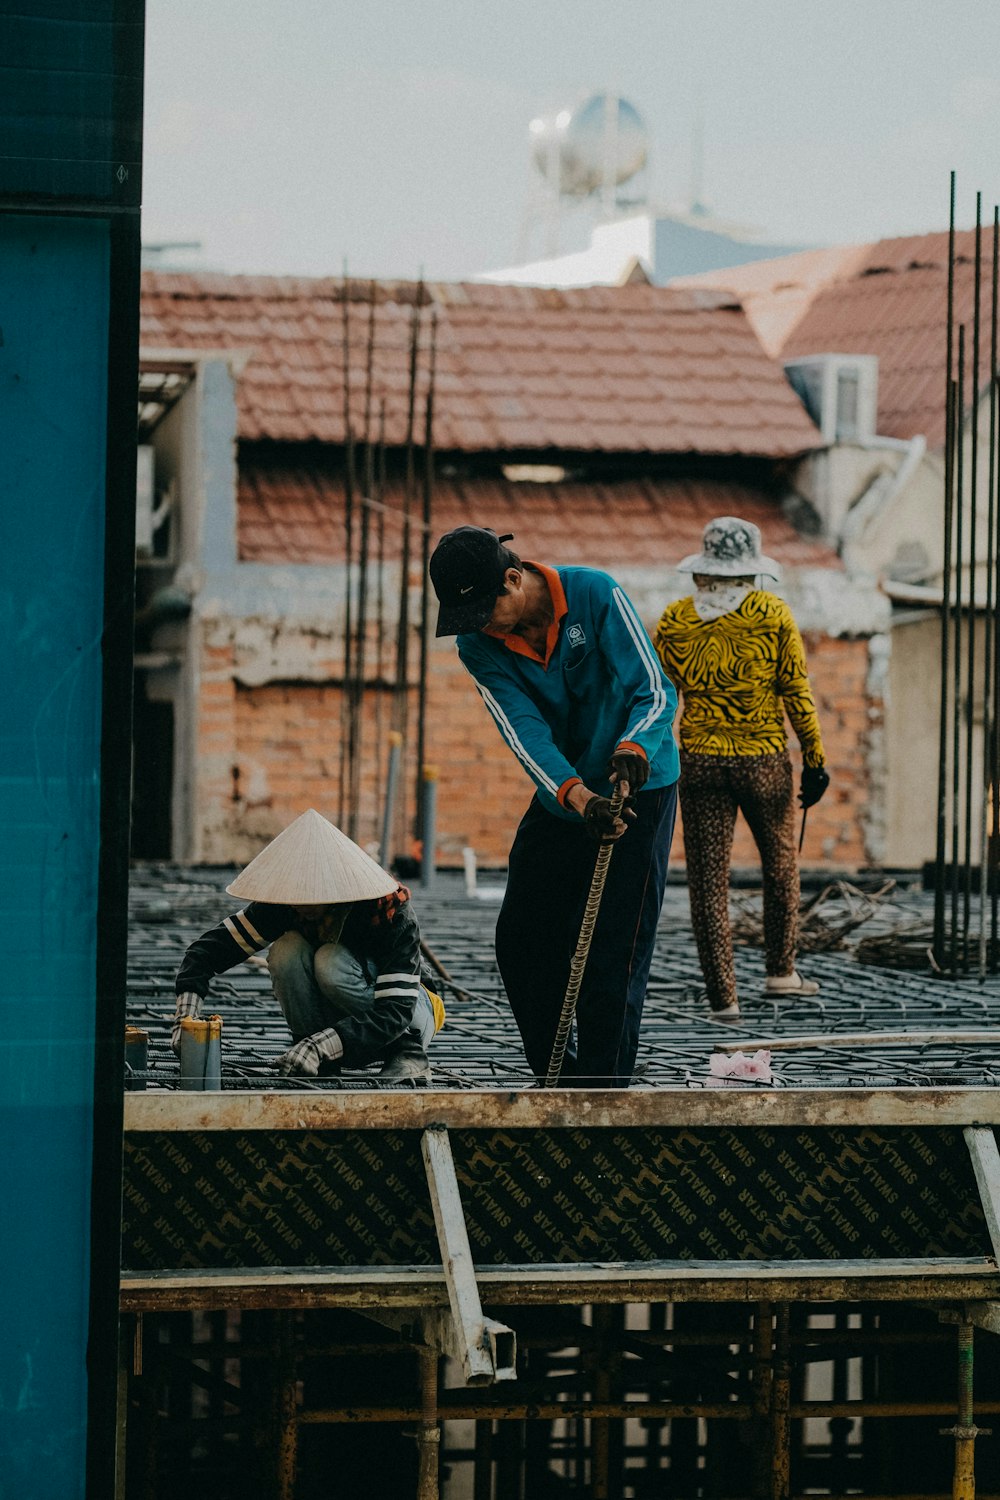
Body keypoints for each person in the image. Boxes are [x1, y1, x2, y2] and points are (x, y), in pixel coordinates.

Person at [429, 525, 679, 1088]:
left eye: (483, 612)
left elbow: (655, 690)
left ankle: (601, 1089)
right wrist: (578, 798)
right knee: (522, 937)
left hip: (640, 780)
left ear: (513, 580)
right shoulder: (479, 646)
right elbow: (524, 733)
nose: (479, 630)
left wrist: (634, 747)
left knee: (614, 948)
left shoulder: (595, 594)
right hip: (568, 792)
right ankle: (554, 1076)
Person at [653, 516, 830, 1020]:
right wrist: (815, 760)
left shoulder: (674, 621)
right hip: (763, 758)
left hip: (701, 761)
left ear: (701, 572)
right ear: (752, 573)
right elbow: (795, 690)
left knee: (708, 881)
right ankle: (780, 973)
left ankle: (723, 1001)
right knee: (779, 864)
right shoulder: (771, 613)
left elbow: (661, 700)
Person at [171, 808, 444, 1082]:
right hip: (342, 1025)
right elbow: (205, 953)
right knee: (286, 950)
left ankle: (408, 1054)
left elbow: (395, 1010)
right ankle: (315, 1060)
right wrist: (186, 1017)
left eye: (312, 895)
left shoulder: (389, 912)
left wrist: (320, 1045)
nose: (301, 906)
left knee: (330, 960)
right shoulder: (287, 905)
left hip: (409, 1015)